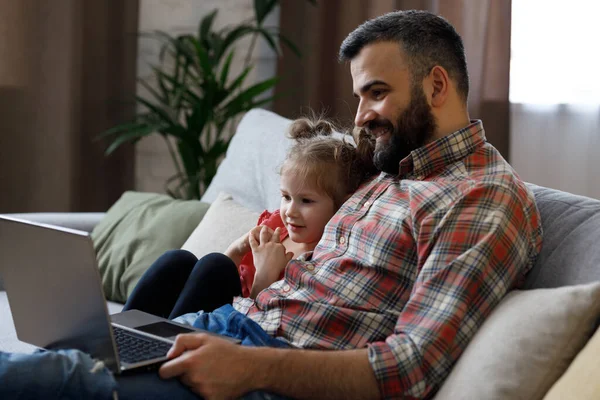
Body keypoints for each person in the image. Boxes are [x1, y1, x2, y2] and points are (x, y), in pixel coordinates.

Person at [0, 10, 543, 400]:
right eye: (358, 97)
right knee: (55, 360)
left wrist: (248, 367)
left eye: (375, 93)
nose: (360, 115)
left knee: (68, 380)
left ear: (438, 85)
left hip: (266, 375)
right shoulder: (390, 172)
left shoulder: (482, 198)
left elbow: (410, 367)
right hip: (228, 328)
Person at [121, 117, 376, 319]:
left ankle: (163, 349)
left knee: (215, 266)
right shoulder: (277, 227)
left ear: (344, 204)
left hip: (238, 330)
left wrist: (266, 274)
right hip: (220, 311)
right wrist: (237, 249)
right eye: (286, 197)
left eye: (306, 201)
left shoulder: (322, 258)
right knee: (178, 259)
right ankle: (116, 339)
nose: (290, 211)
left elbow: (260, 321)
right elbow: (224, 280)